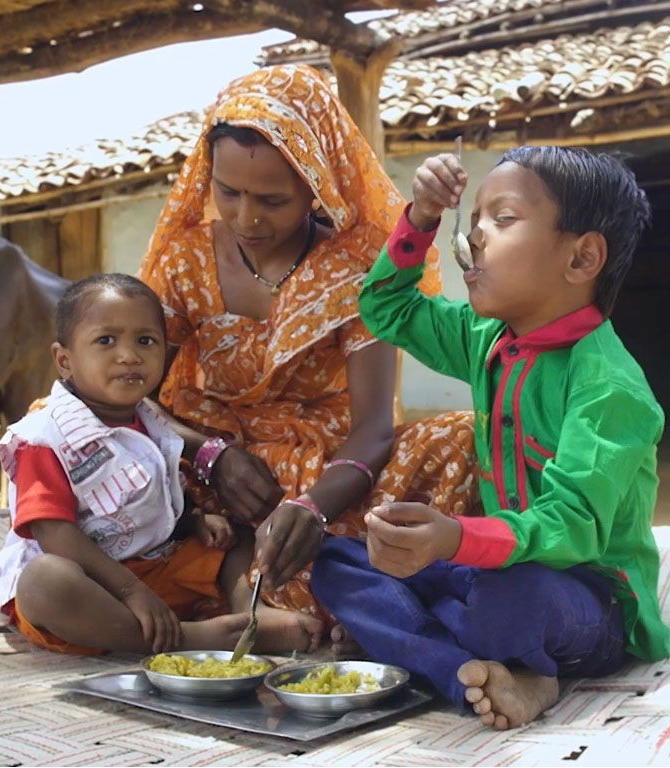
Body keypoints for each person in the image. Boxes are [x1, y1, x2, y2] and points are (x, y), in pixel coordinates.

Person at [311, 145, 670, 730]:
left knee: (509, 603)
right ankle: (475, 667)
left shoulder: (609, 387)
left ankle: (438, 651)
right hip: (488, 569)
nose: (475, 236)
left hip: (584, 595)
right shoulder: (485, 337)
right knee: (336, 560)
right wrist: (422, 217)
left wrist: (454, 536)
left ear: (582, 258)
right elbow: (386, 307)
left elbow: (572, 525)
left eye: (502, 220)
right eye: (474, 219)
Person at [137, 64, 478, 649]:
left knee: (464, 439)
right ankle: (311, 599)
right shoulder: (184, 262)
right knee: (73, 435)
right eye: (227, 194)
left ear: (315, 184)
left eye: (271, 199)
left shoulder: (353, 268)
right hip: (201, 474)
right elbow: (134, 398)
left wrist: (312, 508)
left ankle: (295, 589)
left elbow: (373, 431)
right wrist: (211, 454)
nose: (246, 218)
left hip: (330, 475)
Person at [0, 273, 256, 655]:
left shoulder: (151, 423)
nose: (129, 355)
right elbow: (55, 535)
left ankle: (250, 616)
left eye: (145, 341)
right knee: (45, 582)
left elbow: (150, 502)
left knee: (238, 536)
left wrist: (194, 522)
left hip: (151, 570)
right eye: (106, 341)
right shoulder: (43, 437)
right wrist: (131, 591)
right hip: (90, 589)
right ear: (64, 360)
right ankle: (187, 638)